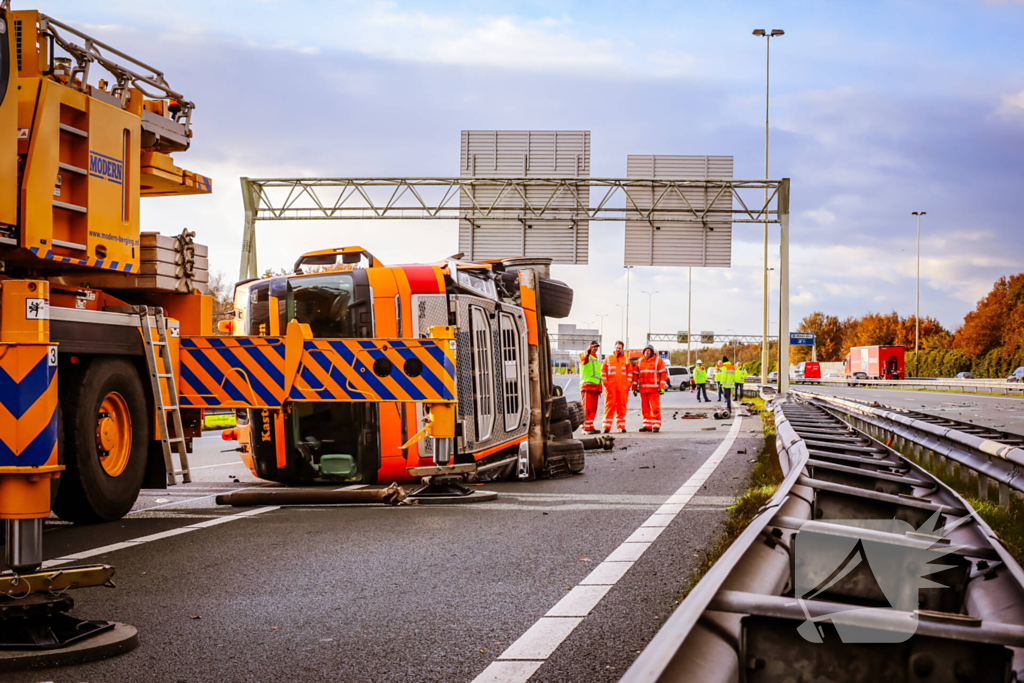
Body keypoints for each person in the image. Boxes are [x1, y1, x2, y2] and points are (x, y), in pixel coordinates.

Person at [633, 345, 668, 432]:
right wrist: (634, 387)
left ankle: (656, 425)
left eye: (649, 351)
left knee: (655, 408)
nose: (647, 352)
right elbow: (635, 375)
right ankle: (647, 425)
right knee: (645, 408)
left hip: (654, 389)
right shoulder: (640, 361)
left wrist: (662, 386)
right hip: (643, 389)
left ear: (652, 352)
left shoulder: (658, 360)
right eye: (646, 351)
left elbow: (663, 374)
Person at [601, 340, 631, 433]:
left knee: (621, 407)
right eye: (617, 347)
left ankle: (621, 426)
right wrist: (606, 384)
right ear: (614, 348)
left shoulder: (626, 360)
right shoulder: (608, 359)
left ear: (622, 349)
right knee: (609, 406)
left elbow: (630, 373)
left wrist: (627, 385)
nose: (618, 349)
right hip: (610, 387)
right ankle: (606, 426)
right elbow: (603, 372)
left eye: (620, 348)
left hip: (622, 387)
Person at [578, 341, 602, 434]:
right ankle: (585, 428)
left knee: (593, 408)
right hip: (587, 385)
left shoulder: (595, 359)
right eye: (593, 347)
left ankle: (590, 426)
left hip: (595, 387)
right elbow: (584, 356)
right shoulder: (584, 356)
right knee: (586, 408)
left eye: (596, 347)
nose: (595, 348)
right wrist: (588, 350)